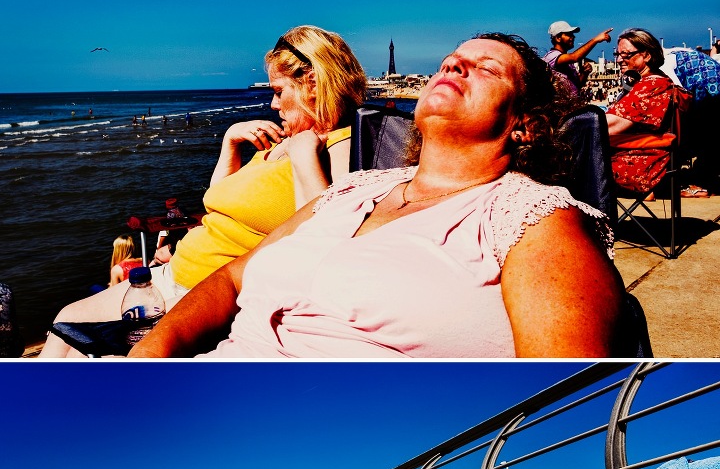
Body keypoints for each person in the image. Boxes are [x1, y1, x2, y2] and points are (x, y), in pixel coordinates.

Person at [131, 35, 627, 361]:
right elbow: (231, 279)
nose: (455, 64)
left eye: (486, 68)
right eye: (451, 60)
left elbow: (562, 380)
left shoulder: (532, 217)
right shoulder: (355, 187)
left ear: (526, 125)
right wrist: (153, 350)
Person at [171, 27, 367, 290]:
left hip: (204, 294)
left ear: (313, 85)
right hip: (174, 273)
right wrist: (230, 142)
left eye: (278, 91)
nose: (274, 105)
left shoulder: (341, 145)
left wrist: (304, 156)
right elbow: (216, 201)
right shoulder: (285, 139)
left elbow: (323, 243)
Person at [606, 31, 690, 193]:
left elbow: (608, 127)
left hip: (639, 165)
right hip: (640, 159)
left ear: (647, 56)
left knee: (566, 166)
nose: (618, 59)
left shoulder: (651, 87)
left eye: (626, 55)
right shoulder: (655, 81)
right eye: (617, 54)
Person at [544, 22, 612, 100]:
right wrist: (595, 40)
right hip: (560, 108)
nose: (573, 37)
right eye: (568, 34)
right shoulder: (552, 56)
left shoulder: (567, 61)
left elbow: (577, 86)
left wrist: (584, 73)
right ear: (558, 38)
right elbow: (575, 57)